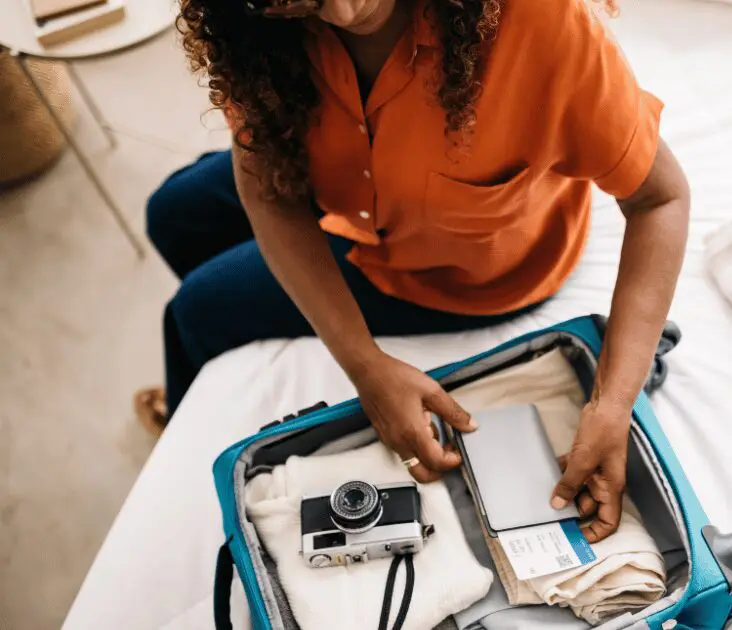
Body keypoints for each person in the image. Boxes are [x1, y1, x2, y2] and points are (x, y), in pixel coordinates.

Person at [136, 0, 689, 542]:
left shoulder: (543, 21)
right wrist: (364, 365)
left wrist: (614, 402)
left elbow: (659, 199)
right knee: (170, 215)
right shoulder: (254, 28)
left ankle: (180, 420)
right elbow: (270, 198)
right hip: (335, 186)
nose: (347, 13)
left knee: (193, 313)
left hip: (454, 273)